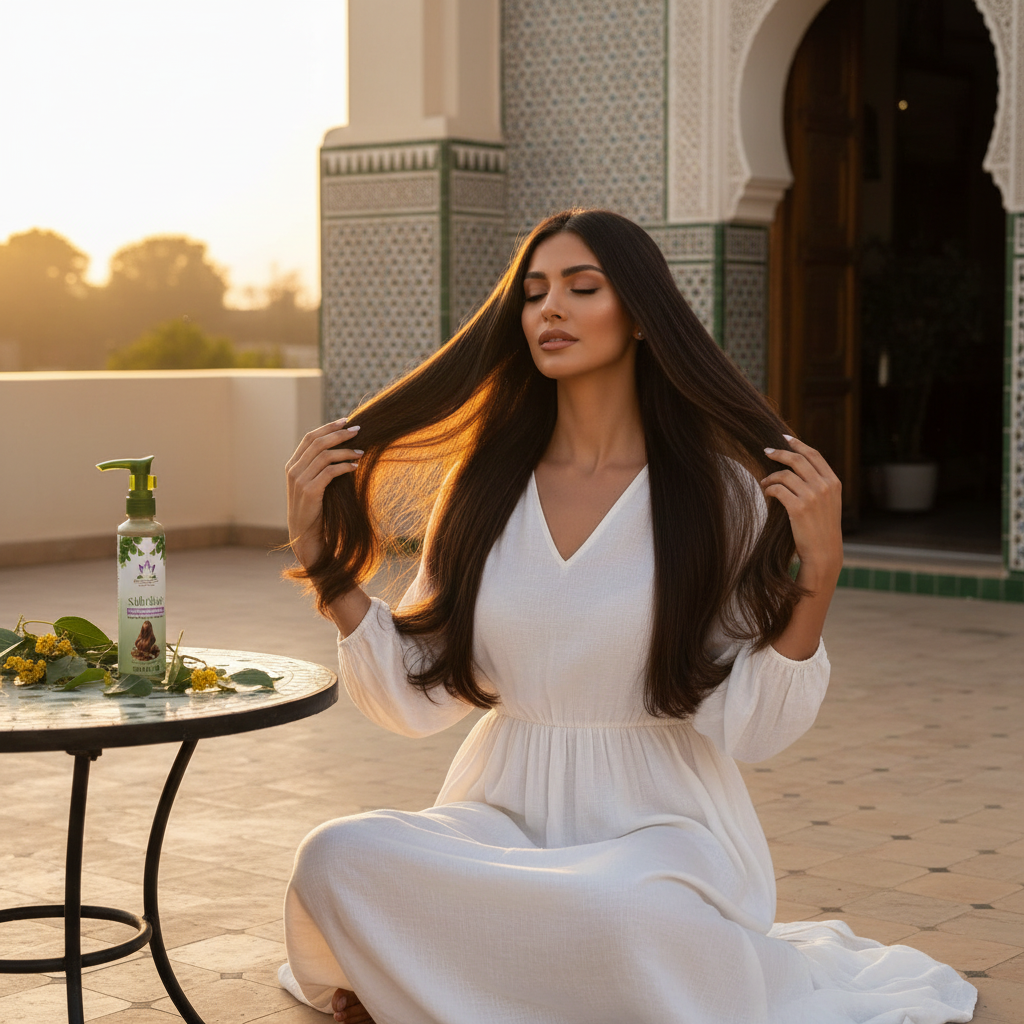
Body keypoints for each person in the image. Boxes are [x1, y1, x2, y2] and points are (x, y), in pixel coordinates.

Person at [278, 210, 976, 1024]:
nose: (550, 310)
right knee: (334, 855)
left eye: (582, 287)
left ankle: (450, 976)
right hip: (503, 815)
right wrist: (320, 559)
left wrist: (818, 573)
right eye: (535, 292)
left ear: (641, 315)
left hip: (662, 830)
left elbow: (750, 726)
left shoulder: (716, 495)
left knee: (620, 911)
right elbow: (416, 694)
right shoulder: (482, 489)